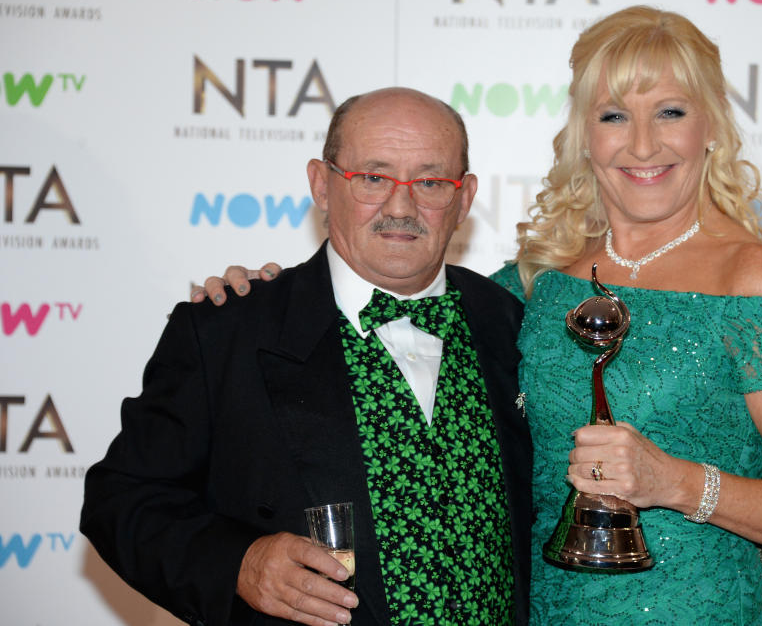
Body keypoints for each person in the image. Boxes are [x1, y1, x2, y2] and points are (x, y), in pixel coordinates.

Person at [199, 6, 762, 626]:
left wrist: (677, 482)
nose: (641, 144)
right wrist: (265, 295)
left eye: (669, 111)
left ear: (711, 127)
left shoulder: (753, 279)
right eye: (612, 116)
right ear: (584, 135)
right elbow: (393, 298)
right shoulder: (536, 282)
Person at [80, 88, 533, 626]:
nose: (400, 206)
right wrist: (239, 564)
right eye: (373, 177)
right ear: (322, 184)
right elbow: (122, 499)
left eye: (431, 182)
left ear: (464, 198)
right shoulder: (227, 329)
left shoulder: (512, 324)